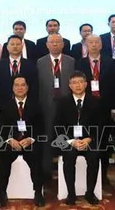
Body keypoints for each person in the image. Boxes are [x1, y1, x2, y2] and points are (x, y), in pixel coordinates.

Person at [0, 75, 45, 207]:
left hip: (29, 142)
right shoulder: (6, 106)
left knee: (37, 156)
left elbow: (41, 126)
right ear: (12, 88)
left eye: (23, 85)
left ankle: (38, 192)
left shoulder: (36, 105)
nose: (20, 88)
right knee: (3, 157)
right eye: (16, 85)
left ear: (27, 87)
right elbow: (1, 127)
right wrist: (10, 140)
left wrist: (30, 139)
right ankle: (2, 192)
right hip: (12, 143)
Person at [75, 34, 115, 184]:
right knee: (88, 139)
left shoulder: (110, 62)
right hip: (86, 108)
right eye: (90, 42)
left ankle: (103, 176)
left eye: (96, 42)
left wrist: (114, 107)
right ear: (86, 44)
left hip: (105, 107)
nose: (93, 45)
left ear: (101, 44)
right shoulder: (79, 63)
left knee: (104, 142)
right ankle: (85, 177)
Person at [55, 71, 101, 205]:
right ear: (69, 85)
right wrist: (71, 141)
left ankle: (90, 193)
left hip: (89, 139)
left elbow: (100, 123)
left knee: (94, 156)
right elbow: (58, 125)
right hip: (70, 140)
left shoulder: (95, 101)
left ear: (86, 84)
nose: (78, 85)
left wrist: (89, 139)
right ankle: (71, 193)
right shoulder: (63, 102)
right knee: (68, 157)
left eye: (81, 82)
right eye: (74, 83)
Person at [37, 33, 75, 178]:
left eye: (58, 42)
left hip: (66, 105)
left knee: (66, 135)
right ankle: (46, 171)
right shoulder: (40, 62)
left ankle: (66, 171)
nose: (55, 44)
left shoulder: (71, 61)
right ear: (47, 45)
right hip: (47, 105)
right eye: (52, 42)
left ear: (63, 44)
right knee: (47, 136)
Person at [0, 35, 38, 110]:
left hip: (26, 105)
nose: (15, 47)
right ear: (7, 47)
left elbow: (34, 86)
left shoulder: (30, 64)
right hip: (5, 104)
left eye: (17, 44)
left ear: (22, 46)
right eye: (12, 44)